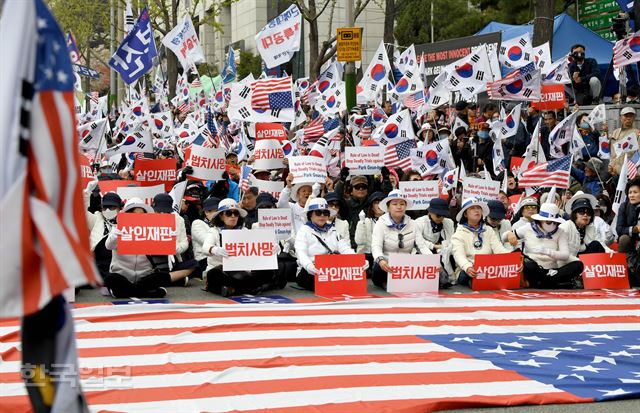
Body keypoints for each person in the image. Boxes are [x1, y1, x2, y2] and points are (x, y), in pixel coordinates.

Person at [203, 198, 283, 296]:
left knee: (267, 269)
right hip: (221, 269)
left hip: (242, 271)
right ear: (221, 216)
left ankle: (235, 289)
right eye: (228, 213)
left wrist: (273, 247)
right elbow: (205, 247)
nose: (233, 216)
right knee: (215, 274)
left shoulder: (244, 231)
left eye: (236, 213)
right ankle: (254, 287)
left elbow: (260, 245)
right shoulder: (214, 231)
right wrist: (215, 249)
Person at [104, 198, 176, 298]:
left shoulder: (152, 230)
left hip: (144, 276)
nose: (138, 217)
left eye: (141, 214)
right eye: (134, 214)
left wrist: (169, 237)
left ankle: (123, 292)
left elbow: (160, 249)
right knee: (111, 278)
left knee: (163, 276)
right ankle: (146, 293)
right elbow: (108, 246)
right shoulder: (117, 229)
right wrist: (116, 235)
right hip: (122, 275)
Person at [506, 203, 584, 289]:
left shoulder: (560, 232)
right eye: (549, 222)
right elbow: (504, 238)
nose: (552, 225)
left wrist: (547, 251)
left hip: (552, 271)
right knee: (529, 265)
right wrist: (509, 234)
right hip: (534, 267)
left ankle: (546, 281)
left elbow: (565, 255)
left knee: (578, 265)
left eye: (555, 223)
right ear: (541, 220)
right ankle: (552, 283)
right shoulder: (528, 228)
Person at [294, 198, 358, 290]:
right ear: (310, 215)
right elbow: (301, 253)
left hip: (332, 269)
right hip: (310, 271)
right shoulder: (304, 231)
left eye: (326, 213)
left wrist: (358, 261)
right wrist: (309, 266)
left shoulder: (333, 230)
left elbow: (345, 248)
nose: (322, 215)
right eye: (318, 213)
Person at [371, 190, 431, 288]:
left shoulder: (413, 224)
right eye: (395, 204)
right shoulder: (380, 223)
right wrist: (381, 260)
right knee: (378, 268)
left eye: (402, 204)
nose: (399, 207)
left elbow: (422, 246)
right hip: (387, 265)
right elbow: (376, 246)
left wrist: (433, 261)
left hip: (406, 266)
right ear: (388, 207)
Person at [451, 198, 511, 287]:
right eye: (472, 208)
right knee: (468, 275)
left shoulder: (488, 230)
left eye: (478, 208)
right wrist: (467, 267)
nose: (476, 210)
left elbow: (499, 249)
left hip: (488, 269)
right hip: (468, 271)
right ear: (465, 214)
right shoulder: (458, 234)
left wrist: (513, 259)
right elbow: (459, 256)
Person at [415, 197, 456, 287]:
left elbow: (451, 240)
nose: (441, 217)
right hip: (422, 251)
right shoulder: (419, 222)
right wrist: (434, 246)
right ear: (430, 212)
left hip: (442, 252)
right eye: (438, 215)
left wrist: (442, 247)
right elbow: (419, 242)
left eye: (443, 215)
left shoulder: (449, 223)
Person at [560, 192, 611, 257]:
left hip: (586, 261)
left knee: (596, 244)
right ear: (574, 214)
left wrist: (609, 253)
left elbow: (601, 244)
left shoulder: (591, 228)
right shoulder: (565, 227)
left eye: (589, 213)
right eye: (581, 212)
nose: (585, 215)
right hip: (569, 261)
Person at [86, 192, 122, 278]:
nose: (108, 210)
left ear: (119, 208)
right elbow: (81, 213)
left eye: (112, 207)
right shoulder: (96, 219)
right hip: (98, 265)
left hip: (119, 267)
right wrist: (88, 194)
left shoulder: (126, 224)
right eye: (105, 207)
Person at [616, 178, 640, 283]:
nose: (631, 195)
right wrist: (635, 229)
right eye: (630, 192)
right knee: (623, 239)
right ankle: (626, 272)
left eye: (635, 192)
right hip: (630, 243)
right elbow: (619, 229)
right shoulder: (624, 206)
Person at [354, 192, 385, 273]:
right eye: (376, 203)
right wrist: (361, 222)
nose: (379, 205)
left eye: (382, 202)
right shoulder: (366, 221)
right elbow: (359, 241)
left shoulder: (390, 222)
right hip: (368, 254)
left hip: (384, 255)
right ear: (372, 206)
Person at [190, 196, 219, 279]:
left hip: (219, 257)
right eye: (216, 211)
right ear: (207, 212)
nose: (219, 214)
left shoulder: (221, 226)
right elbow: (208, 243)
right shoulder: (198, 223)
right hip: (204, 259)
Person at [608, 107, 640, 175]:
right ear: (621, 117)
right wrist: (611, 165)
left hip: (629, 171)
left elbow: (638, 154)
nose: (628, 118)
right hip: (614, 170)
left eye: (631, 116)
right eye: (626, 116)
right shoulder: (615, 132)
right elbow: (612, 152)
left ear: (634, 118)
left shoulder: (637, 133)